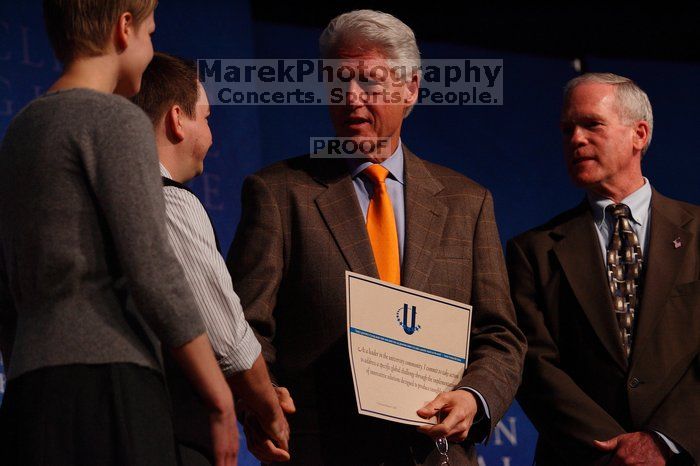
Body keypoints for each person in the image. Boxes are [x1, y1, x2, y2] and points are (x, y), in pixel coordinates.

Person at [227, 9, 526, 465]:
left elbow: (500, 335)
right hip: (323, 450)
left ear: (410, 90)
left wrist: (473, 397)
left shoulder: (467, 203)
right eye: (338, 81)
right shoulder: (279, 193)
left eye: (368, 81)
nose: (350, 98)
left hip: (434, 454)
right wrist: (262, 408)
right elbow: (246, 329)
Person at [0, 2, 237, 465]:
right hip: (110, 387)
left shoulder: (19, 130)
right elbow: (152, 267)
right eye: (151, 32)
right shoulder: (116, 119)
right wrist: (219, 396)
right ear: (124, 28)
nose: (151, 49)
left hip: (29, 390)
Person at [507, 72, 699, 465]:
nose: (575, 140)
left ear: (639, 134)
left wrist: (664, 441)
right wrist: (616, 451)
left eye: (591, 124)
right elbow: (534, 365)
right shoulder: (532, 251)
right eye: (566, 130)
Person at [132, 52, 292, 465]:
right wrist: (271, 414)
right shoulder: (168, 202)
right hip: (169, 439)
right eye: (206, 117)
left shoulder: (111, 203)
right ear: (176, 119)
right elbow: (229, 344)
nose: (212, 135)